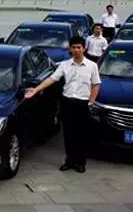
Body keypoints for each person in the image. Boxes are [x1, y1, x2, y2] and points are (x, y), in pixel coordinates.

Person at [25, 36, 100, 173]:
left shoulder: (92, 66)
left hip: (83, 103)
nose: (76, 50)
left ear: (84, 49)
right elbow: (52, 79)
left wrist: (91, 102)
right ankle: (69, 161)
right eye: (73, 47)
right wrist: (36, 89)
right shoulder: (65, 65)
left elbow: (95, 85)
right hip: (67, 102)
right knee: (68, 133)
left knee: (81, 134)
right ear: (70, 49)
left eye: (79, 47)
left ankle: (80, 162)